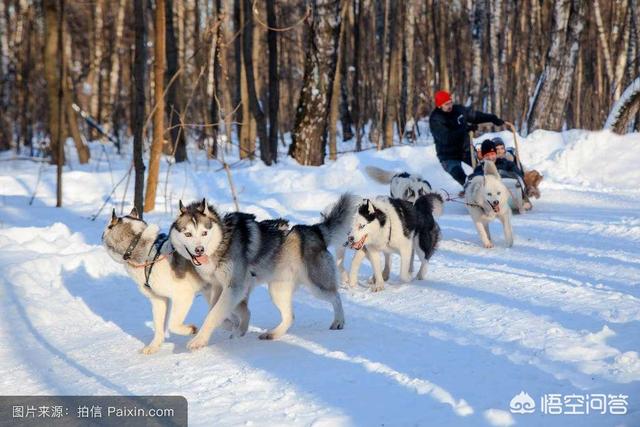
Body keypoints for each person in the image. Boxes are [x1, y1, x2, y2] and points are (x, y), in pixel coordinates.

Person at [429, 90, 504, 187]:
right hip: (448, 156)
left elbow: (475, 116)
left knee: (484, 168)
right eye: (446, 104)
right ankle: (471, 190)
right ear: (439, 106)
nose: (450, 106)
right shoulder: (435, 119)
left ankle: (493, 187)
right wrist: (464, 129)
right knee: (463, 179)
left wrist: (492, 118)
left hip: (465, 151)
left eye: (450, 102)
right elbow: (446, 138)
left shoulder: (458, 110)